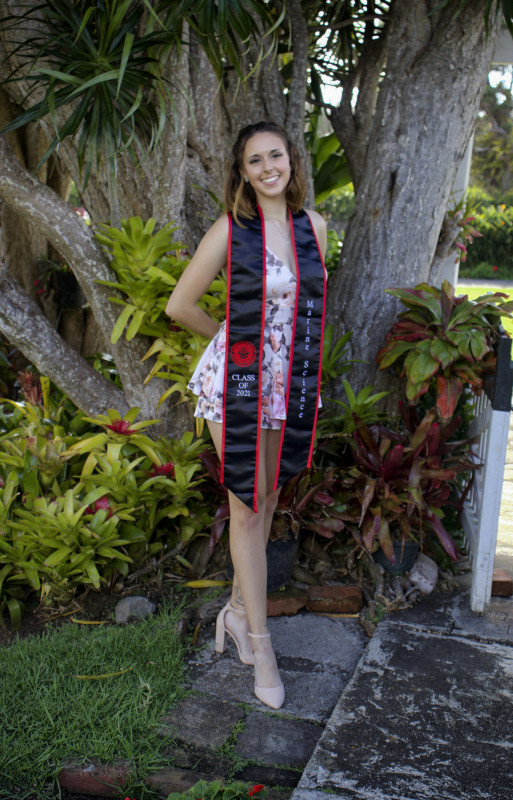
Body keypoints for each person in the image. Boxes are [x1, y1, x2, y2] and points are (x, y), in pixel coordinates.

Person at [166, 121, 327, 709]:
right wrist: (233, 342)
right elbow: (179, 305)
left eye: (275, 155)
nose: (267, 167)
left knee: (271, 499)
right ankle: (261, 645)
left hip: (288, 383)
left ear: (291, 161)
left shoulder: (315, 228)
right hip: (236, 384)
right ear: (243, 172)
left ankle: (236, 614)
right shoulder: (232, 231)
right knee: (248, 507)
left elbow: (306, 309)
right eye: (254, 160)